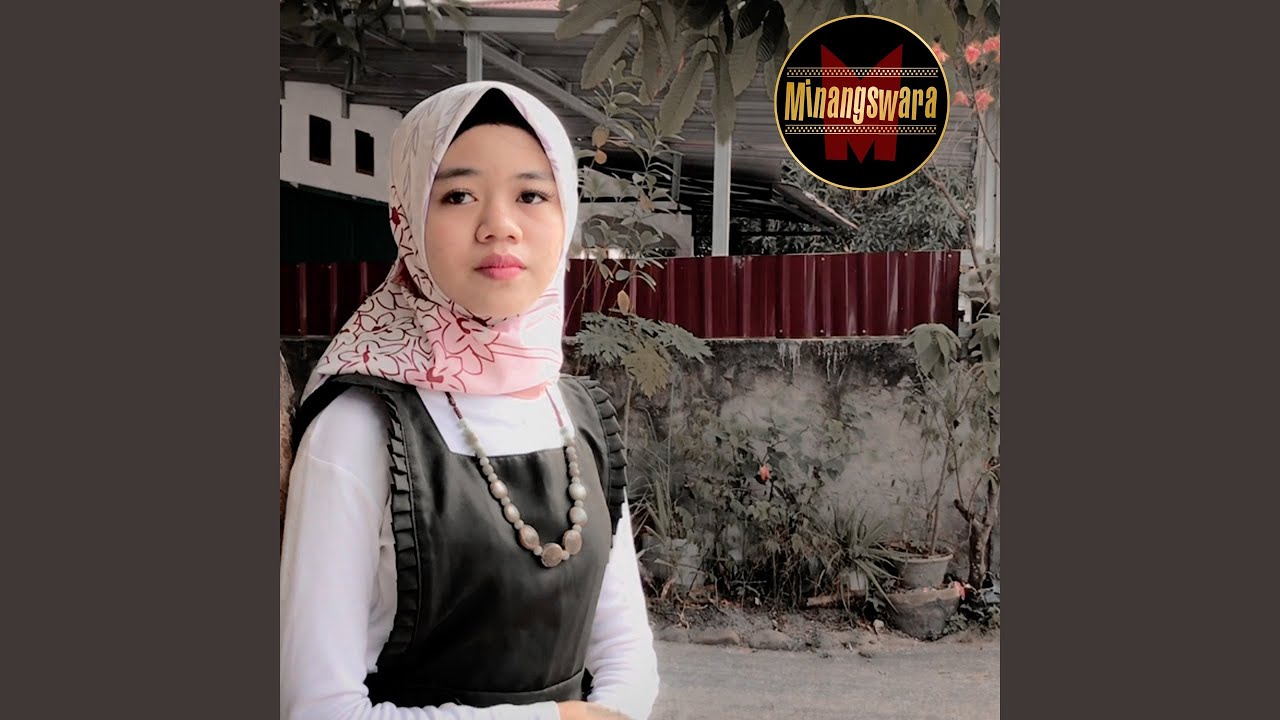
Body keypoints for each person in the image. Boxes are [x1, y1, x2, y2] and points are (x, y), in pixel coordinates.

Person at [280, 82, 660, 720]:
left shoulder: (579, 414)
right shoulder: (358, 429)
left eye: (531, 195)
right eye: (458, 195)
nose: (499, 226)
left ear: (566, 213)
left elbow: (625, 650)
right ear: (407, 218)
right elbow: (317, 709)